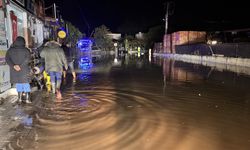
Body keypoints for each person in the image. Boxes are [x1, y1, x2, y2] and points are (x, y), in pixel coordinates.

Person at [5, 36, 32, 103]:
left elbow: (7, 59)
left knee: (19, 83)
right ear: (23, 42)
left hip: (14, 71)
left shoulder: (10, 50)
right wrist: (21, 66)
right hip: (24, 70)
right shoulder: (26, 50)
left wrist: (14, 66)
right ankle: (27, 99)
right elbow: (28, 59)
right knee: (26, 83)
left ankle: (19, 99)